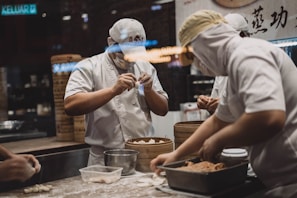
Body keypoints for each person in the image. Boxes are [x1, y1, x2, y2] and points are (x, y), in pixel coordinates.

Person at [151, 10, 297, 197]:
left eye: (194, 56)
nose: (197, 64)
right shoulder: (235, 67)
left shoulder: (248, 54)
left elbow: (269, 117)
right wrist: (176, 155)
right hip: (280, 180)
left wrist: (218, 140)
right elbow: (218, 121)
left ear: (206, 45)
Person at [64, 18, 169, 166]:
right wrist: (113, 91)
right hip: (104, 159)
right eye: (124, 52)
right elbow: (71, 105)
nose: (129, 59)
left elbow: (163, 109)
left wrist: (149, 90)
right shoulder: (89, 66)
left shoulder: (146, 67)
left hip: (143, 154)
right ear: (111, 43)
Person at [197, 13, 250, 115]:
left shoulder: (256, 63)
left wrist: (225, 104)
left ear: (243, 36)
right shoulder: (223, 69)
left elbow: (260, 107)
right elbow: (214, 107)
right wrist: (207, 103)